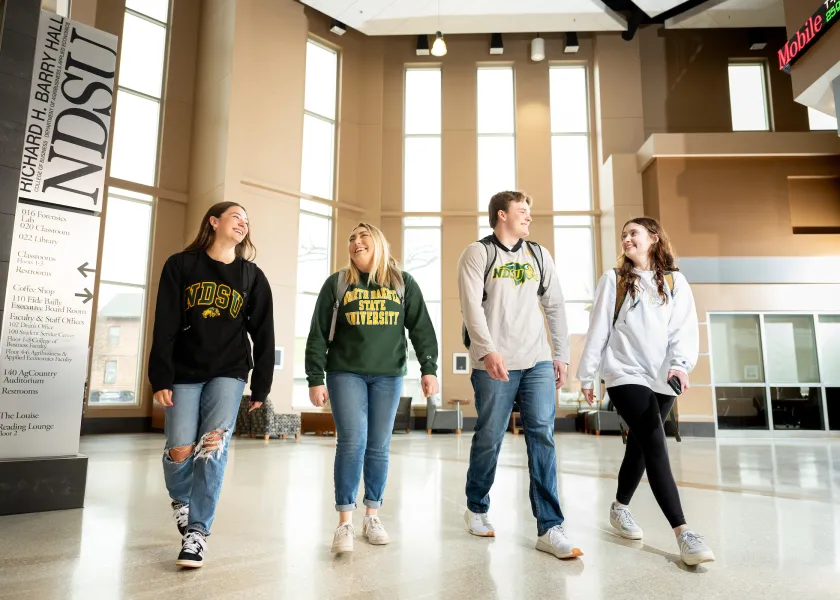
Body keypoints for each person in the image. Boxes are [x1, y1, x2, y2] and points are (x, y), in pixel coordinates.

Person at [576, 217, 715, 566]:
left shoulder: (675, 281)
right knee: (655, 440)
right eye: (623, 235)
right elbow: (598, 330)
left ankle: (619, 508)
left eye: (633, 233)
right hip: (624, 373)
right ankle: (684, 533)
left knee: (640, 447)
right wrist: (587, 374)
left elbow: (685, 328)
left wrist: (681, 365)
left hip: (662, 375)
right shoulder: (614, 280)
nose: (626, 239)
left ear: (653, 238)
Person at [148, 202, 275, 568]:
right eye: (237, 216)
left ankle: (197, 533)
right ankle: (180, 499)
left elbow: (264, 333)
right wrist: (161, 377)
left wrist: (261, 387)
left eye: (247, 221)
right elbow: (165, 325)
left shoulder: (251, 276)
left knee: (212, 449)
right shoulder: (181, 265)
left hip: (230, 370)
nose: (243, 223)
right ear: (214, 221)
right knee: (180, 449)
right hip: (185, 370)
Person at [458, 190, 582, 560]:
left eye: (530, 211)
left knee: (543, 435)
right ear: (502, 215)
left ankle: (550, 526)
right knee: (490, 435)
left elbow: (555, 305)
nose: (529, 218)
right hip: (493, 362)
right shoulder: (479, 253)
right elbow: (470, 309)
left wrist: (560, 353)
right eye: (523, 212)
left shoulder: (539, 254)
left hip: (537, 361)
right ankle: (476, 507)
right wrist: (488, 350)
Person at [305, 222, 439, 553]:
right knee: (352, 442)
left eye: (363, 237)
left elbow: (421, 329)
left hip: (388, 376)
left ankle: (372, 515)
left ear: (378, 243)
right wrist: (314, 377)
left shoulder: (401, 283)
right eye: (351, 238)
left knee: (378, 446)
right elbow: (318, 333)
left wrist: (429, 369)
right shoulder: (338, 284)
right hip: (344, 373)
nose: (355, 242)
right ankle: (345, 523)